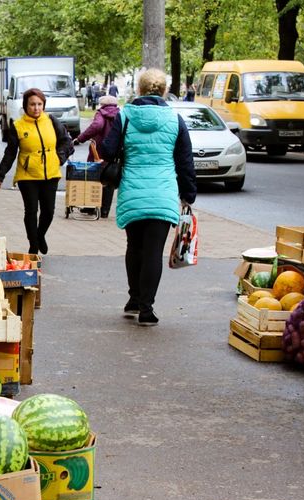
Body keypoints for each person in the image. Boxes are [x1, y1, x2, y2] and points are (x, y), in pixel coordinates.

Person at [99, 68, 197, 327]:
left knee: (135, 247)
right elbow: (185, 161)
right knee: (154, 252)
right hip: (163, 193)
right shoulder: (175, 120)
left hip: (133, 192)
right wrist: (188, 195)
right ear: (164, 91)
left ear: (139, 90)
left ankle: (133, 298)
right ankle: (146, 309)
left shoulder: (126, 116)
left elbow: (107, 150)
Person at [0, 88, 74, 256]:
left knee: (49, 212)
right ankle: (33, 244)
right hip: (27, 176)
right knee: (31, 211)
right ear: (25, 106)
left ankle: (40, 234)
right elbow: (10, 153)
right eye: (32, 105)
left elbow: (67, 142)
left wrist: (59, 158)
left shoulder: (51, 121)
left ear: (44, 105)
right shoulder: (18, 125)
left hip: (50, 174)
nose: (36, 108)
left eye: (39, 104)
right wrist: (0, 175)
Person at [74, 94, 120, 219]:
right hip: (113, 150)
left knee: (93, 176)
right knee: (110, 178)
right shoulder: (120, 114)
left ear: (102, 104)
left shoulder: (101, 113)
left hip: (98, 149)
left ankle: (91, 207)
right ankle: (105, 210)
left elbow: (97, 126)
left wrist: (80, 138)